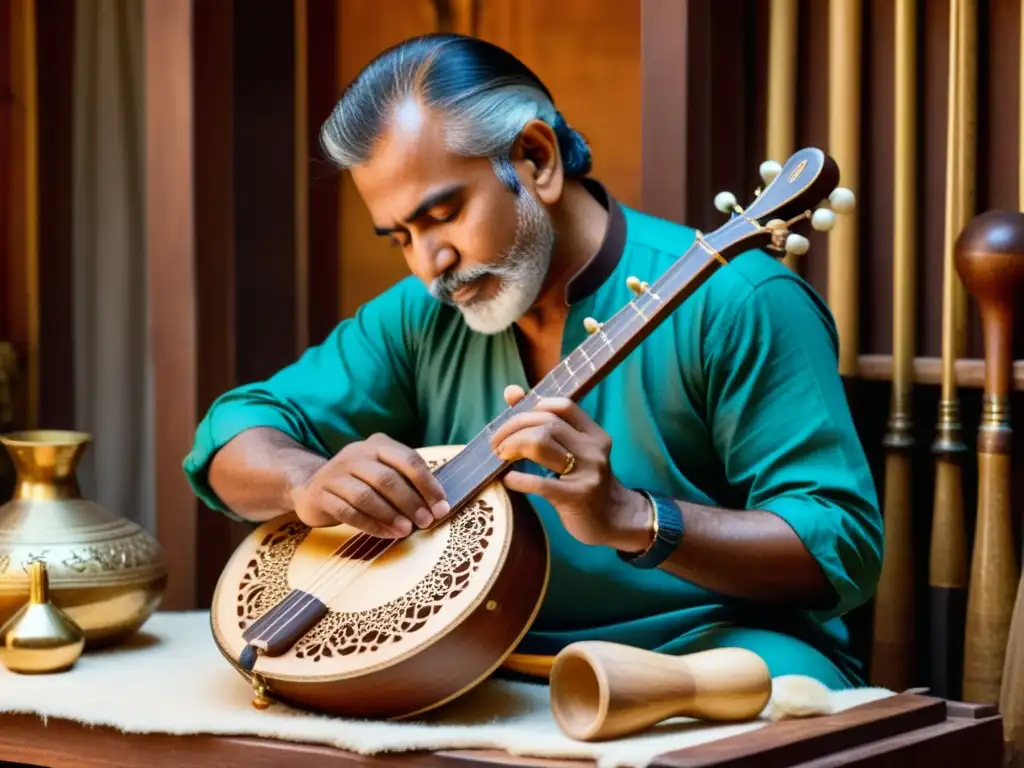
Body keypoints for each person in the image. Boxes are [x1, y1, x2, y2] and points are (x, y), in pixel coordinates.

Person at [183, 33, 882, 690]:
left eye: (443, 213)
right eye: (400, 236)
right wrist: (307, 480)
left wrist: (635, 517)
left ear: (536, 159)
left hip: (707, 658)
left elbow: (841, 546)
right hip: (470, 655)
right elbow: (232, 433)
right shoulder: (423, 315)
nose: (432, 263)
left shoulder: (741, 300)